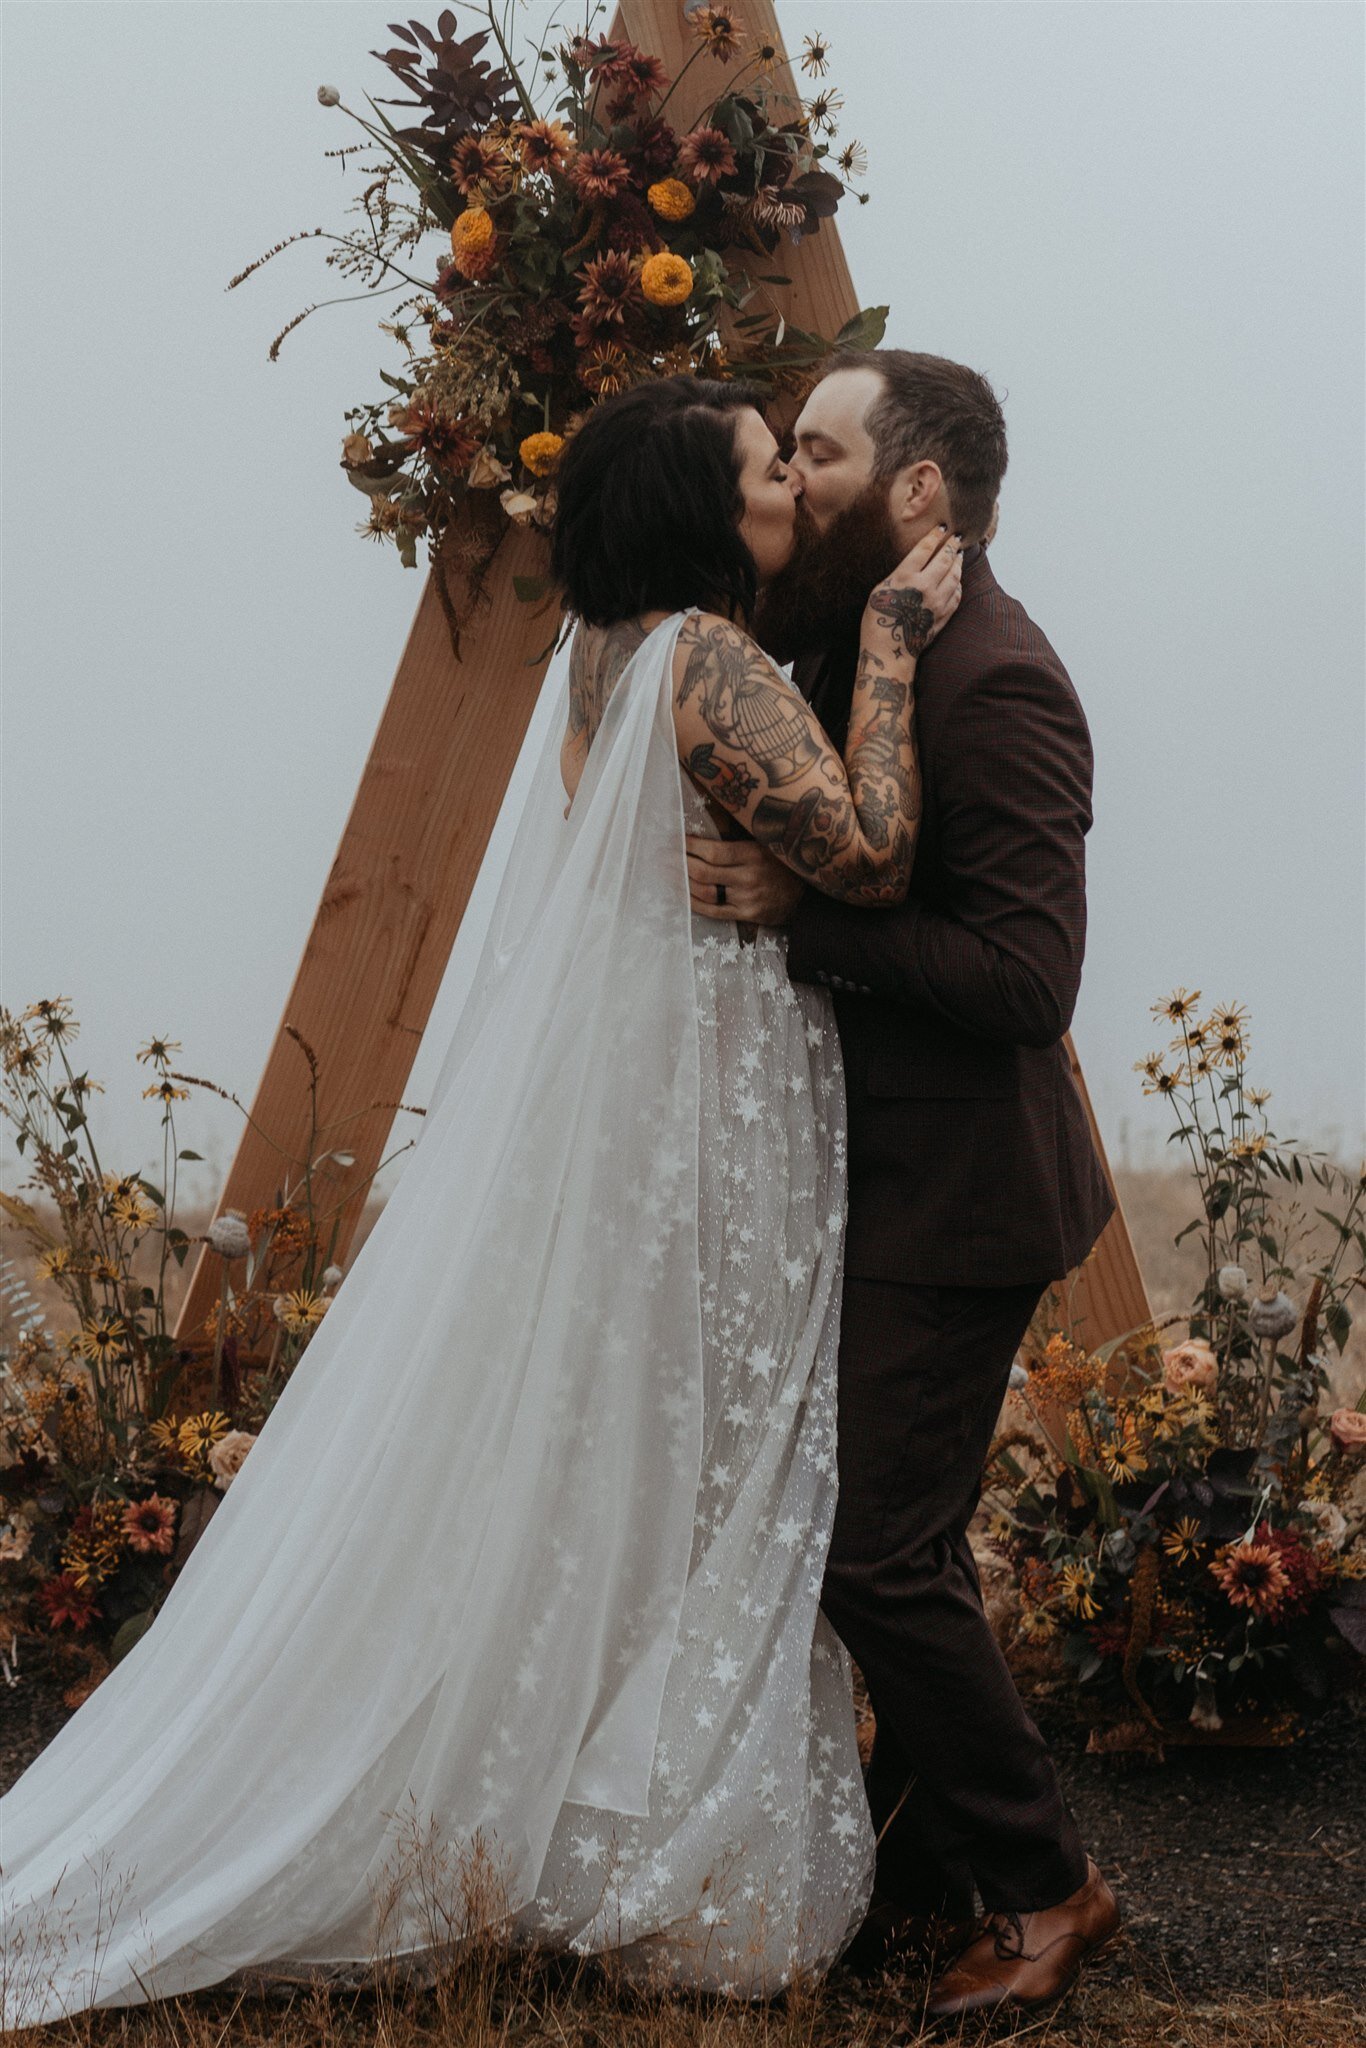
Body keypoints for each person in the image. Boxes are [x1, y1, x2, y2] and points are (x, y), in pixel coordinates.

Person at [0, 376, 961, 2022]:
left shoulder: (600, 659)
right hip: (709, 1111)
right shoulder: (710, 656)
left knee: (646, 1438)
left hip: (647, 1082)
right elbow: (874, 850)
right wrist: (884, 640)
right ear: (698, 508)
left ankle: (577, 1801)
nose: (790, 493)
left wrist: (777, 863)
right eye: (760, 469)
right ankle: (645, 1844)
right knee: (719, 1449)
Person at [685, 349, 1124, 2023]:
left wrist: (803, 920)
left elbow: (1027, 980)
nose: (793, 479)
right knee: (863, 1543)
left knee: (877, 1555)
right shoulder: (845, 639)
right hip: (862, 1185)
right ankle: (922, 1869)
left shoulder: (1000, 681)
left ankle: (1047, 1886)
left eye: (820, 450)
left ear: (918, 489)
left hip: (958, 1197)